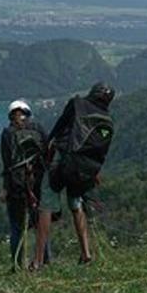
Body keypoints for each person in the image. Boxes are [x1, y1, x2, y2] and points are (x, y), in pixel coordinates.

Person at [47, 82, 115, 264]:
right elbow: (100, 152)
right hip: (85, 171)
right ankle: (86, 253)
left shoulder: (77, 103)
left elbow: (60, 125)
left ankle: (41, 257)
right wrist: (94, 172)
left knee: (47, 195)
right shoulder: (107, 120)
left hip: (64, 160)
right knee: (76, 206)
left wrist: (47, 143)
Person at [0, 99, 51, 271]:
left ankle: (16, 265)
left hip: (17, 187)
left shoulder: (7, 133)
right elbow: (48, 153)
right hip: (38, 184)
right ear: (27, 113)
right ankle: (45, 260)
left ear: (10, 115)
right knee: (40, 225)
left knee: (16, 227)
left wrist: (5, 188)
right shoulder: (38, 128)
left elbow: (7, 163)